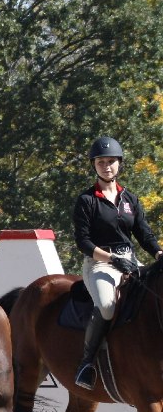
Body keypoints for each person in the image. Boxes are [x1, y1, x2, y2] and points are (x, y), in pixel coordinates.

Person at [71, 135, 163, 390]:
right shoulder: (87, 200)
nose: (106, 166)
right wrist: (111, 258)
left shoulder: (130, 199)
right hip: (100, 263)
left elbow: (144, 234)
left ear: (119, 164)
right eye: (101, 162)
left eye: (111, 161)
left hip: (131, 262)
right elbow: (84, 242)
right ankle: (87, 363)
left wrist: (158, 254)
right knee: (107, 306)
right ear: (94, 166)